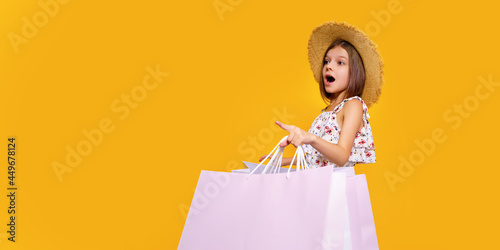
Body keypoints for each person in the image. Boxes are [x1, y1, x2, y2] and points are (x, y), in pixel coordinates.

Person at [259, 21, 384, 171]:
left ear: (355, 73)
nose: (329, 66)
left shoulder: (353, 105)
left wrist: (311, 138)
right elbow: (317, 157)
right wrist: (281, 160)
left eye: (340, 62)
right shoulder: (327, 111)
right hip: (317, 187)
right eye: (327, 61)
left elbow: (341, 156)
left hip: (335, 191)